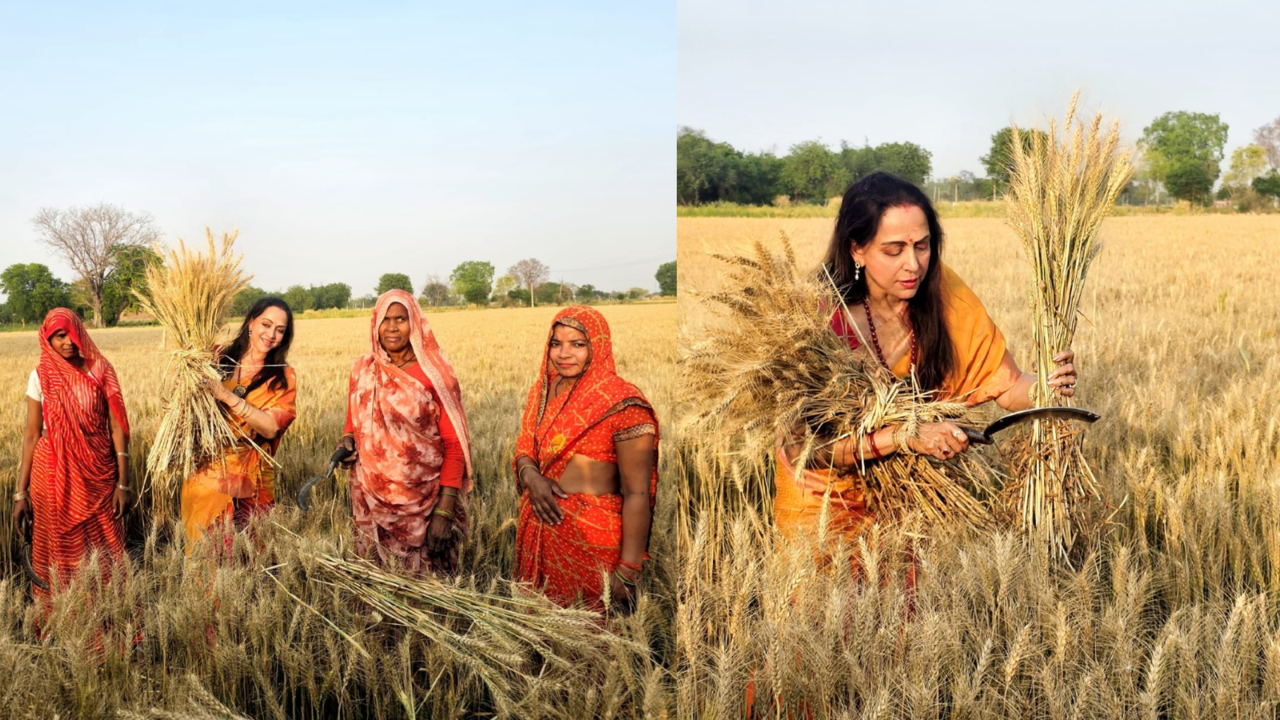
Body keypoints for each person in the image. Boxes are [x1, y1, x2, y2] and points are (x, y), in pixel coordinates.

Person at [776, 171, 1079, 547]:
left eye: (922, 246)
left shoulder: (942, 293)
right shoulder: (813, 321)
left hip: (906, 501)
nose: (913, 264)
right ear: (857, 248)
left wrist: (1047, 384)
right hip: (822, 506)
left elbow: (1008, 385)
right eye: (893, 250)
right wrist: (903, 436)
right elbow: (803, 449)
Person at [513, 306, 659, 611]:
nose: (564, 354)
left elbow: (637, 492)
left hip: (593, 542)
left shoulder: (622, 403)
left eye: (578, 344)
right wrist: (532, 477)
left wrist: (629, 570)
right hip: (537, 534)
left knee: (593, 644)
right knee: (536, 634)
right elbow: (525, 447)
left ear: (598, 345)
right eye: (556, 343)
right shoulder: (541, 390)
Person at [336, 290, 473, 575]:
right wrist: (347, 440)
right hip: (371, 494)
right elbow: (353, 420)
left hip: (423, 500)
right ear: (375, 323)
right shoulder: (363, 370)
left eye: (401, 318)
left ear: (415, 323)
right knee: (375, 581)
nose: (392, 327)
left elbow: (454, 444)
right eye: (385, 319)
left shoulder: (436, 374)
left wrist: (445, 511)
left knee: (426, 587)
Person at [12, 308, 130, 599]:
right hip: (51, 475)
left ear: (82, 331)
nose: (68, 342)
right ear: (47, 338)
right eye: (59, 336)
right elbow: (31, 434)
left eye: (72, 333)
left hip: (98, 472)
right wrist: (20, 493)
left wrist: (123, 484)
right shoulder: (40, 376)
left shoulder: (101, 369)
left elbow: (118, 429)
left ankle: (110, 616)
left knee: (107, 549)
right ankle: (63, 620)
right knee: (57, 551)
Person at [181, 297, 297, 547]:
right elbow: (185, 396)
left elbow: (271, 426)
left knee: (255, 552)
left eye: (280, 330)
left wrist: (225, 395)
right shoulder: (216, 357)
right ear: (251, 322)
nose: (271, 335)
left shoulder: (283, 375)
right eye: (266, 325)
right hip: (208, 468)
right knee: (207, 551)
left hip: (253, 476)